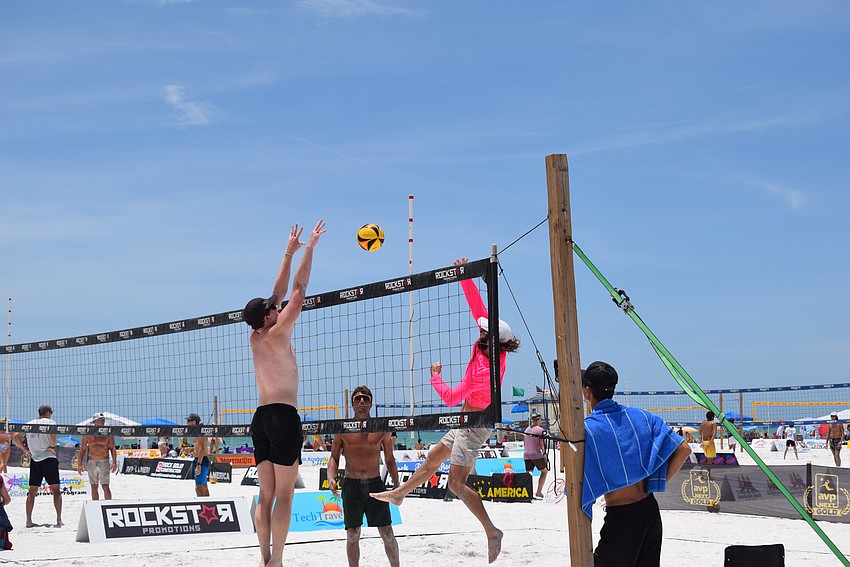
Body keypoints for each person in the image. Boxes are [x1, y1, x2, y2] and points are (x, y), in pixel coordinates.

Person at [372, 257, 521, 564]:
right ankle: (400, 493)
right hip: (468, 419)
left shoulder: (484, 370)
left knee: (455, 483)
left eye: (484, 333)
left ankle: (492, 531)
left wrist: (435, 376)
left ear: (494, 342)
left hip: (475, 424)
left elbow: (452, 399)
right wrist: (464, 275)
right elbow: (477, 308)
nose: (479, 333)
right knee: (431, 457)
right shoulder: (488, 344)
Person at [245, 220, 325, 567]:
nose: (276, 306)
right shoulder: (279, 333)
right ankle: (277, 560)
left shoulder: (256, 336)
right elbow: (298, 288)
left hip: (260, 418)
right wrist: (310, 249)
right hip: (282, 417)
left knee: (266, 496)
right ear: (268, 316)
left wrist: (287, 251)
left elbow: (277, 294)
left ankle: (264, 558)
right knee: (285, 496)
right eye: (271, 307)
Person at [581, 361, 691, 566]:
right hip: (650, 512)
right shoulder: (640, 416)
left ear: (587, 391)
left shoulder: (588, 429)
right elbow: (684, 449)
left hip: (622, 517)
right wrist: (656, 483)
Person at [327, 386, 400, 567]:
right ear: (352, 403)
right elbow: (334, 457)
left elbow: (389, 458)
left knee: (387, 533)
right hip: (352, 484)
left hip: (375, 484)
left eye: (365, 399)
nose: (361, 402)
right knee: (352, 534)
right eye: (358, 399)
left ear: (370, 403)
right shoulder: (342, 428)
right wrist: (331, 476)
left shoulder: (381, 427)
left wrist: (398, 486)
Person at [11, 404, 63, 527]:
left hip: (35, 460)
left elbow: (15, 436)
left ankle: (28, 521)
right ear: (48, 412)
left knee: (32, 492)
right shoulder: (50, 422)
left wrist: (26, 450)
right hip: (49, 458)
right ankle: (59, 519)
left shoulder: (29, 423)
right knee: (56, 490)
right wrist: (51, 445)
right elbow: (53, 435)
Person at [77, 413, 118, 500]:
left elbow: (113, 448)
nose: (103, 421)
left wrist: (114, 462)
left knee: (105, 486)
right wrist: (79, 464)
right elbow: (83, 449)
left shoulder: (108, 433)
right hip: (92, 462)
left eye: (103, 420)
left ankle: (108, 506)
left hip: (104, 461)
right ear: (95, 421)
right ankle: (96, 506)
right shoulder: (88, 433)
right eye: (101, 420)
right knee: (94, 487)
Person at [523, 413, 548, 500]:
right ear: (538, 420)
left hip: (526, 454)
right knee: (544, 472)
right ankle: (538, 492)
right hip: (536, 454)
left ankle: (528, 492)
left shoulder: (527, 429)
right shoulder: (540, 430)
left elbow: (524, 444)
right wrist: (544, 454)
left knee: (529, 474)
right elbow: (542, 444)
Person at [185, 413, 210, 497]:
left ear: (194, 422)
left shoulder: (200, 432)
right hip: (199, 459)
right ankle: (207, 505)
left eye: (189, 421)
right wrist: (191, 449)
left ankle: (205, 506)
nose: (187, 423)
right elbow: (199, 448)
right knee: (202, 487)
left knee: (200, 487)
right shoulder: (197, 432)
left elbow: (203, 449)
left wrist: (199, 464)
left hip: (201, 460)